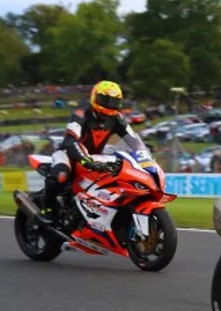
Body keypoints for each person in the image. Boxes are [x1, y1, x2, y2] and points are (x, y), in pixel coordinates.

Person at [40, 80, 151, 223]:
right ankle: (46, 210)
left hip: (96, 156)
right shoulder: (81, 114)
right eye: (104, 100)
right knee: (60, 177)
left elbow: (133, 140)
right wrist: (85, 159)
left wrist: (145, 156)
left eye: (112, 102)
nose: (108, 105)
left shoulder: (117, 118)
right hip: (68, 154)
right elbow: (70, 140)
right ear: (94, 97)